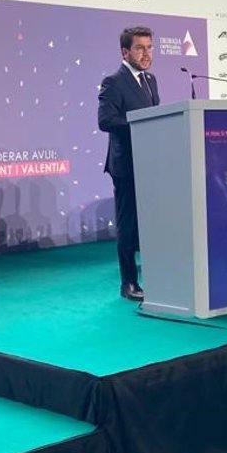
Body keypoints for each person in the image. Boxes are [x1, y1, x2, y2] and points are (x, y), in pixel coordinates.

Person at [98, 26, 160, 301]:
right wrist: (141, 123)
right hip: (126, 165)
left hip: (151, 162)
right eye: (139, 48)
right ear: (125, 52)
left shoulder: (151, 80)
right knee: (128, 224)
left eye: (150, 47)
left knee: (151, 223)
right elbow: (106, 121)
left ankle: (158, 276)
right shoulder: (113, 81)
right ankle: (129, 283)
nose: (146, 54)